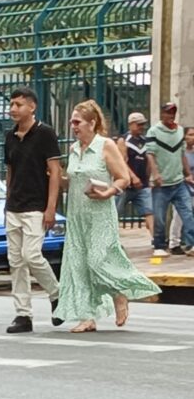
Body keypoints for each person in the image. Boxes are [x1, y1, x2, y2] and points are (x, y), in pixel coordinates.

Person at [54, 100, 161, 333]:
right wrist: (55, 177)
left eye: (77, 122)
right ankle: (87, 316)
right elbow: (72, 182)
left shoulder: (106, 145)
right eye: (72, 122)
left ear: (92, 123)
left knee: (97, 260)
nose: (73, 126)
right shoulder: (73, 149)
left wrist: (108, 192)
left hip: (100, 214)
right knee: (79, 265)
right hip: (77, 216)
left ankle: (119, 293)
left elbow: (123, 177)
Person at [3, 87, 63, 334]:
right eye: (11, 104)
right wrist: (7, 202)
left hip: (36, 207)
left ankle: (57, 294)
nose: (13, 109)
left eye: (18, 104)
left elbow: (56, 172)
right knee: (15, 262)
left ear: (32, 107)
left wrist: (51, 208)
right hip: (13, 208)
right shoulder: (10, 136)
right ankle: (23, 314)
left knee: (31, 256)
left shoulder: (45, 133)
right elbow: (10, 171)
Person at [146, 103, 194, 257]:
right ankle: (159, 245)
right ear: (162, 114)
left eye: (173, 112)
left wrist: (188, 174)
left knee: (187, 213)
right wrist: (155, 174)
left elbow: (182, 154)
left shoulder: (179, 130)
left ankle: (191, 244)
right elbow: (150, 154)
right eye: (167, 113)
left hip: (178, 181)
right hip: (162, 184)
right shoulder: (154, 131)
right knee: (159, 217)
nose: (171, 115)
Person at [115, 112, 154, 239]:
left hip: (142, 184)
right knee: (115, 213)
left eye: (143, 124)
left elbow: (148, 160)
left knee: (149, 211)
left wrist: (149, 177)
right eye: (138, 124)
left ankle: (156, 240)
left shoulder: (144, 141)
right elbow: (121, 162)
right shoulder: (123, 140)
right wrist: (133, 177)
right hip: (125, 185)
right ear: (131, 124)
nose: (141, 127)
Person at [168, 126, 194, 254]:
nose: (193, 138)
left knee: (189, 217)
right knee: (178, 216)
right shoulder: (179, 152)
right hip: (181, 186)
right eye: (190, 134)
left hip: (192, 187)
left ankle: (190, 242)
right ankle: (174, 243)